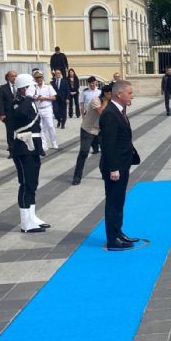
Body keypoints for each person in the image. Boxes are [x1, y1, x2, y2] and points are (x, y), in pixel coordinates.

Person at [99, 80, 141, 251]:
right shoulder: (109, 113)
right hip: (114, 167)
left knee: (119, 200)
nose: (132, 96)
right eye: (130, 93)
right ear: (120, 94)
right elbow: (108, 144)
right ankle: (112, 240)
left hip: (123, 164)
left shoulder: (119, 110)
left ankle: (118, 232)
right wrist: (113, 168)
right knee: (113, 202)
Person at [10, 73, 50, 233]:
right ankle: (25, 222)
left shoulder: (30, 102)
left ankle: (32, 217)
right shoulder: (17, 103)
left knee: (33, 183)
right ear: (24, 88)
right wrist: (27, 97)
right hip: (22, 148)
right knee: (25, 184)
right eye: (31, 86)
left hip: (32, 147)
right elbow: (19, 115)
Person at [73, 84, 110, 185]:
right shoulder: (96, 100)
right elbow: (101, 112)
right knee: (84, 152)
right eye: (111, 94)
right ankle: (77, 176)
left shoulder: (112, 102)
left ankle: (104, 173)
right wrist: (106, 101)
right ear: (106, 94)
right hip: (88, 129)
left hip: (100, 130)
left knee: (106, 152)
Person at [33, 71, 58, 151]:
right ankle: (44, 144)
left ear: (42, 78)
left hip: (47, 108)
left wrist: (44, 98)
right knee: (41, 127)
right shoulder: (34, 87)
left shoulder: (48, 86)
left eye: (40, 77)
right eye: (37, 78)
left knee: (50, 126)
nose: (38, 79)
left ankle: (54, 142)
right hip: (38, 109)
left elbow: (54, 98)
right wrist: (36, 98)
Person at [0, 70, 18, 158]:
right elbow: (0, 102)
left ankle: (20, 150)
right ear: (8, 77)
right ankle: (12, 152)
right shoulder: (3, 88)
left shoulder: (20, 86)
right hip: (9, 115)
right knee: (10, 134)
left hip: (19, 114)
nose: (14, 78)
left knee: (21, 133)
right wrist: (2, 114)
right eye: (12, 76)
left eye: (16, 76)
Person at [80, 76, 101, 154]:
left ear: (95, 82)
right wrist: (82, 115)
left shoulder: (99, 92)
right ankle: (95, 147)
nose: (91, 84)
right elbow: (82, 104)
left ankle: (98, 146)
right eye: (90, 83)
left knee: (97, 131)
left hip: (98, 114)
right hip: (88, 114)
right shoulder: (85, 92)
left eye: (93, 83)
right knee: (89, 131)